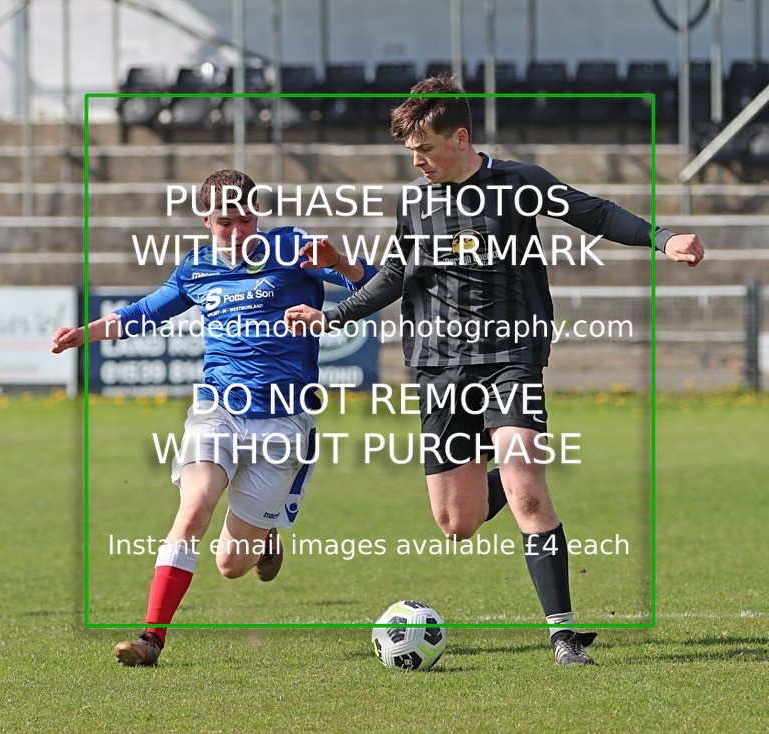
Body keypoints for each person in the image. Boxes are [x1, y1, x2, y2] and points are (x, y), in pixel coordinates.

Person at [285, 76, 705, 666]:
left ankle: (562, 634)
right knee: (457, 522)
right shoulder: (415, 203)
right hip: (437, 365)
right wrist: (333, 316)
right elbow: (394, 277)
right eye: (411, 151)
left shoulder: (518, 183)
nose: (418, 160)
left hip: (511, 355)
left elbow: (596, 213)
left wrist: (663, 239)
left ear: (459, 137)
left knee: (527, 488)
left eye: (425, 148)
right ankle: (497, 485)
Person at [52, 169, 375, 667]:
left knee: (230, 565)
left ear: (258, 214)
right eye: (226, 222)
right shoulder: (196, 268)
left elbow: (377, 285)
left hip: (283, 423)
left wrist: (342, 265)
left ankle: (266, 534)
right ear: (206, 219)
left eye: (246, 219)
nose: (238, 231)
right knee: (195, 508)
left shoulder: (293, 248)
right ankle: (151, 639)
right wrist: (84, 334)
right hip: (218, 409)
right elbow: (143, 313)